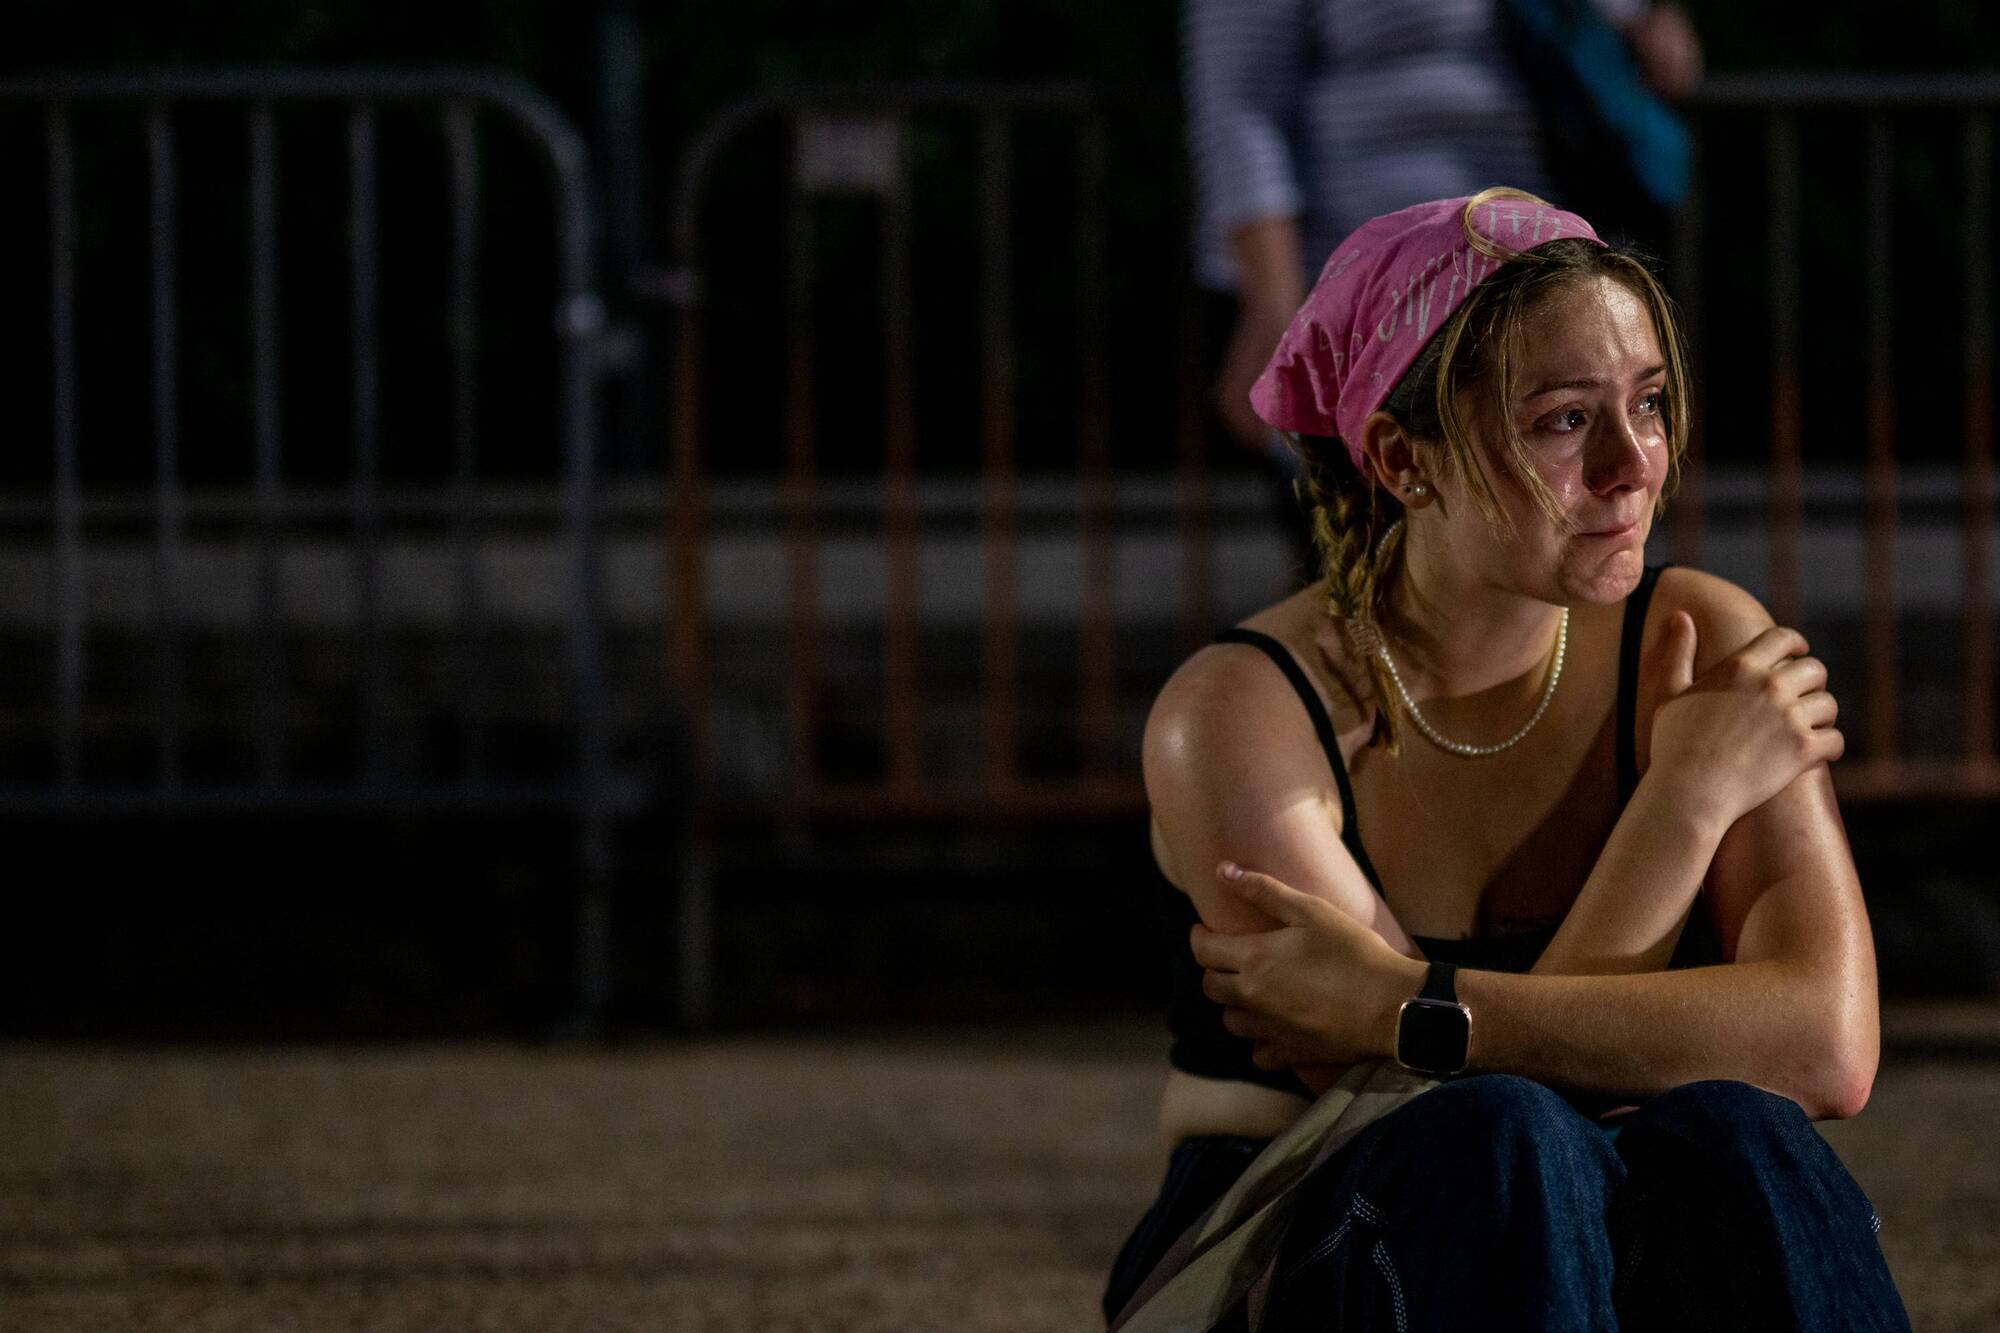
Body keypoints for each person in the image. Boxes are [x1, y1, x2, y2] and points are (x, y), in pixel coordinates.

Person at [1103, 189, 1909, 1330]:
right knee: (1499, 1133)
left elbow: (1825, 1045)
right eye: (1564, 421)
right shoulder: (1242, 711)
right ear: (1402, 458)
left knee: (1741, 1131)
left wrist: (1409, 1005)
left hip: (1591, 1238)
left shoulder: (1698, 640)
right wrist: (1682, 805)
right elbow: (1413, 1108)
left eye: (1648, 402)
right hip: (1298, 1241)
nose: (1634, 465)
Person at [1185, 0, 1703, 577]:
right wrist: (1275, 307)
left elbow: (1655, 49)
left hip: (1533, 281)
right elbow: (1239, 111)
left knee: (1552, 553)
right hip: (1370, 304)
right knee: (1381, 568)